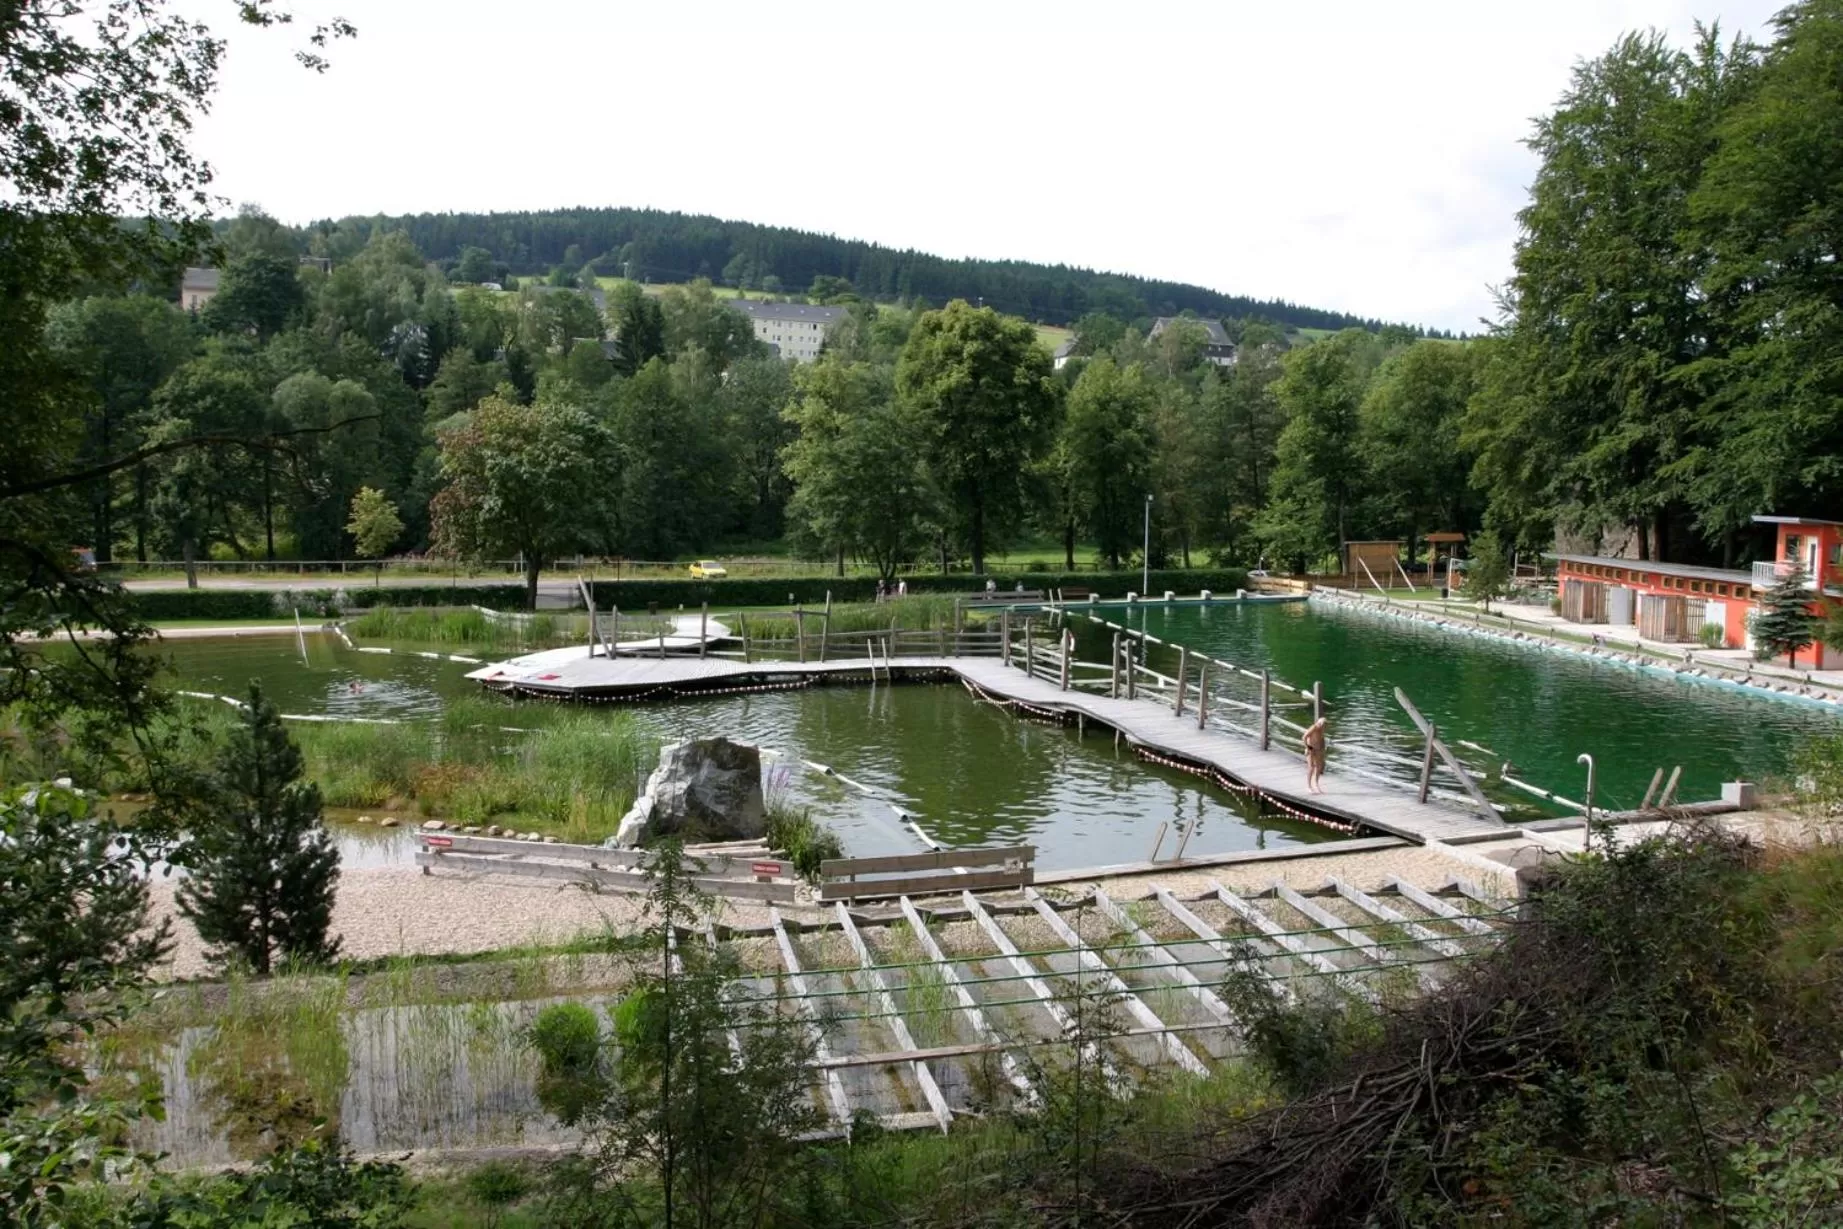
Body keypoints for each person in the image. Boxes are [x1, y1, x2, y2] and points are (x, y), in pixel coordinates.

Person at [1303, 716, 1328, 794]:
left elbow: (1322, 739)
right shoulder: (1314, 727)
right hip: (1311, 749)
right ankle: (1309, 786)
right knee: (1311, 768)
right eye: (1323, 724)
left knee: (1319, 767)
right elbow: (1304, 737)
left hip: (1318, 750)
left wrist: (1323, 749)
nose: (1324, 726)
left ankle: (1316, 784)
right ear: (1319, 723)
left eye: (1325, 724)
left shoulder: (1322, 730)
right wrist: (1308, 747)